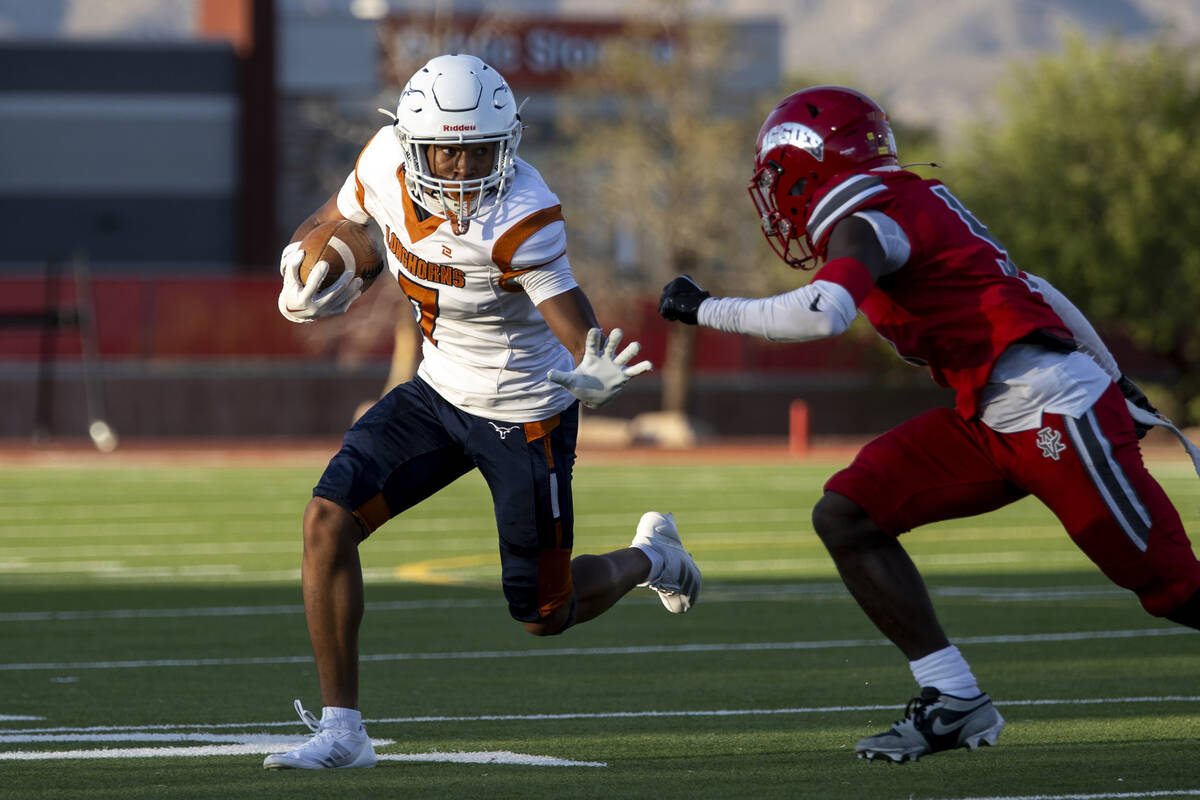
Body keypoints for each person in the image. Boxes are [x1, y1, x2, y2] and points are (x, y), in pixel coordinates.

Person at [658, 85, 1200, 764]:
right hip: (992, 413)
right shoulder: (909, 200)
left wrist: (705, 308)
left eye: (778, 172)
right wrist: (1117, 373)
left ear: (813, 160)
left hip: (1053, 408)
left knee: (1174, 588)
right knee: (847, 513)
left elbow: (822, 313)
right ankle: (954, 699)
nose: (774, 192)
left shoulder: (870, 216)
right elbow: (1037, 287)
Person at [263, 53, 701, 771]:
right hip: (437, 395)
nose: (463, 169)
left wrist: (590, 361)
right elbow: (339, 218)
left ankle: (655, 556)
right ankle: (344, 732)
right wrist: (304, 264)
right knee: (325, 521)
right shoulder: (381, 164)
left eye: (478, 152)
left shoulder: (523, 212)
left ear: (508, 145)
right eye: (447, 150)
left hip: (525, 413)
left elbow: (568, 309)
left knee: (543, 615)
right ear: (411, 144)